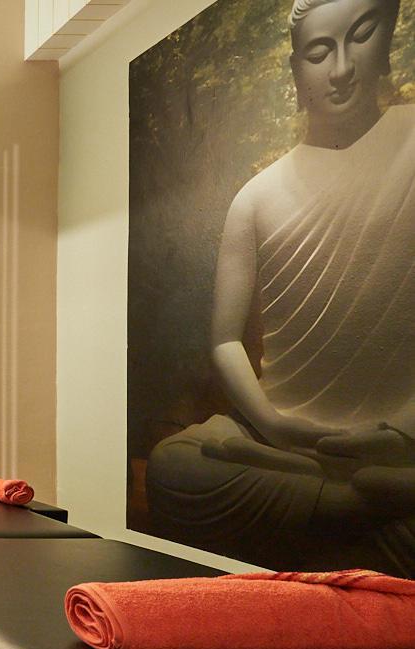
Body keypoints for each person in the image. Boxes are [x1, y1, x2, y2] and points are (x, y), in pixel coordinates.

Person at [147, 0, 415, 571]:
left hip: (398, 442)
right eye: (319, 51)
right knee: (174, 467)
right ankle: (354, 503)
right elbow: (225, 341)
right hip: (282, 437)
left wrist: (403, 432)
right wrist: (274, 425)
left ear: (388, 39)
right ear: (296, 69)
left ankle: (341, 502)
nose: (341, 68)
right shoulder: (258, 196)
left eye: (361, 36)